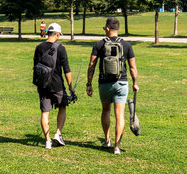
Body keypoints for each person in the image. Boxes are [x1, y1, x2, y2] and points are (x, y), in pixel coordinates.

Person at [86, 17, 139, 155]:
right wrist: (135, 82)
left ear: (108, 28)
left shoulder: (99, 44)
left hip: (104, 84)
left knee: (105, 111)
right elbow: (132, 67)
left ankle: (106, 140)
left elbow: (92, 66)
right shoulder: (126, 45)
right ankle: (117, 146)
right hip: (121, 82)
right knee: (119, 115)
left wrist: (89, 84)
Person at [33, 23, 75, 149]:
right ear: (57, 34)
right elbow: (66, 69)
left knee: (45, 112)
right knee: (62, 107)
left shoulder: (39, 47)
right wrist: (70, 87)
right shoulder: (60, 48)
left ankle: (47, 141)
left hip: (43, 85)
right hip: (57, 84)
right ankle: (58, 133)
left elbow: (35, 67)